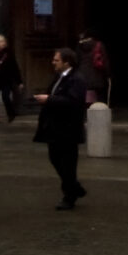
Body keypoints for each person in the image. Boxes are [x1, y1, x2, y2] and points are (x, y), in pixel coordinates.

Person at [33, 47, 88, 208]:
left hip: (68, 128)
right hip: (55, 127)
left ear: (67, 62)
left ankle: (69, 196)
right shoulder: (59, 77)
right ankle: (74, 187)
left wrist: (48, 99)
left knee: (67, 163)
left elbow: (73, 102)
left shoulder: (77, 79)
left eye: (56, 60)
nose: (53, 63)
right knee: (55, 158)